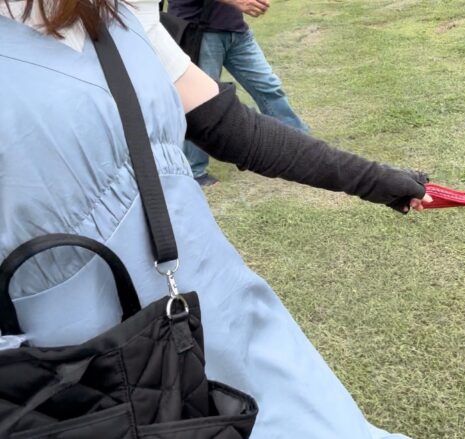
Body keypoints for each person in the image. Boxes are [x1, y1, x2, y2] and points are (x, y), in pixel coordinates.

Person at [0, 0, 430, 437]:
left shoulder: (117, 13)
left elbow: (231, 127)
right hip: (84, 364)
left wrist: (376, 180)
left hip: (218, 308)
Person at [168, 0, 308, 186]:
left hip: (235, 28)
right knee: (200, 103)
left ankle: (298, 143)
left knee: (268, 86)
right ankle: (194, 170)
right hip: (199, 30)